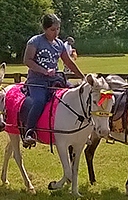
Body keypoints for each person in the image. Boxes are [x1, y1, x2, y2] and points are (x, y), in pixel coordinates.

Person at [22, 14, 85, 147]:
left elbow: (68, 62)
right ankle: (29, 132)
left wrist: (82, 77)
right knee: (39, 101)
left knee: (74, 95)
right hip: (37, 81)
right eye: (52, 29)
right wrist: (44, 71)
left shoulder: (59, 44)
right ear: (45, 29)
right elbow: (27, 60)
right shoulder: (35, 41)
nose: (55, 32)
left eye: (58, 29)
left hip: (55, 80)